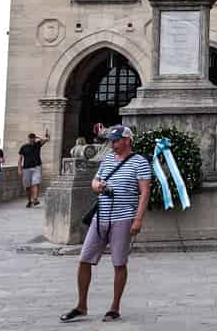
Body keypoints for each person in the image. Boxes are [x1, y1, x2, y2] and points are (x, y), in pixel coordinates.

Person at [61, 125, 151, 323]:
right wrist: (97, 186)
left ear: (127, 140)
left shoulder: (140, 162)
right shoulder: (108, 158)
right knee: (84, 259)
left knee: (119, 263)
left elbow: (144, 192)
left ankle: (114, 307)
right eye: (111, 140)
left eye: (116, 140)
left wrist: (137, 219)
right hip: (101, 217)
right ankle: (81, 305)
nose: (113, 144)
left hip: (123, 218)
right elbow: (95, 180)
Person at [18, 131, 50, 207]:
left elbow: (46, 139)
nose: (31, 140)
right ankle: (29, 200)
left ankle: (35, 199)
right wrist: (19, 169)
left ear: (34, 139)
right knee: (27, 186)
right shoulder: (24, 147)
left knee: (35, 183)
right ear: (28, 139)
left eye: (33, 139)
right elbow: (20, 159)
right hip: (26, 168)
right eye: (30, 139)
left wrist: (38, 137)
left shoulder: (38, 144)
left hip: (37, 167)